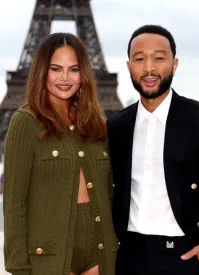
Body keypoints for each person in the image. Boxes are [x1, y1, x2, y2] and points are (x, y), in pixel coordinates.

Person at [106, 25, 199, 275]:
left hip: (189, 256)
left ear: (175, 64)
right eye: (140, 59)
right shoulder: (116, 127)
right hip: (129, 259)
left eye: (159, 58)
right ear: (129, 66)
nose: (149, 68)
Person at [3, 33, 118, 275]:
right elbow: (14, 203)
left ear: (83, 74)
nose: (65, 78)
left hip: (100, 248)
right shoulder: (25, 122)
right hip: (50, 255)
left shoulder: (95, 124)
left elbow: (110, 193)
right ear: (42, 71)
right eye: (56, 69)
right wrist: (18, 267)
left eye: (74, 69)